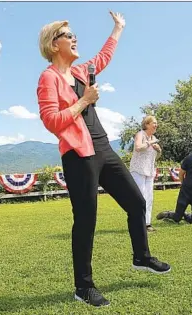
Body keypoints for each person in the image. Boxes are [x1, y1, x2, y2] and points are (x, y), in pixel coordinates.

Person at [37, 11, 170, 307]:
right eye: (68, 35)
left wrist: (118, 28)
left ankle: (142, 257)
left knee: (137, 202)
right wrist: (84, 101)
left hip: (104, 150)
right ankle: (83, 287)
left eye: (74, 35)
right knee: (86, 221)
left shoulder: (83, 71)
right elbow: (50, 120)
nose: (75, 38)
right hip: (78, 156)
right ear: (53, 43)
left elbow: (104, 55)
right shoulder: (49, 78)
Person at [129, 115, 162, 232]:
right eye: (154, 123)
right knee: (140, 197)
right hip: (138, 170)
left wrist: (159, 150)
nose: (156, 125)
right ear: (147, 124)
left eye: (156, 123)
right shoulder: (140, 134)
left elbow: (154, 157)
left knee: (149, 197)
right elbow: (138, 147)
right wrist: (150, 143)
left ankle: (147, 224)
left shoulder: (154, 137)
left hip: (149, 171)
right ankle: (138, 222)